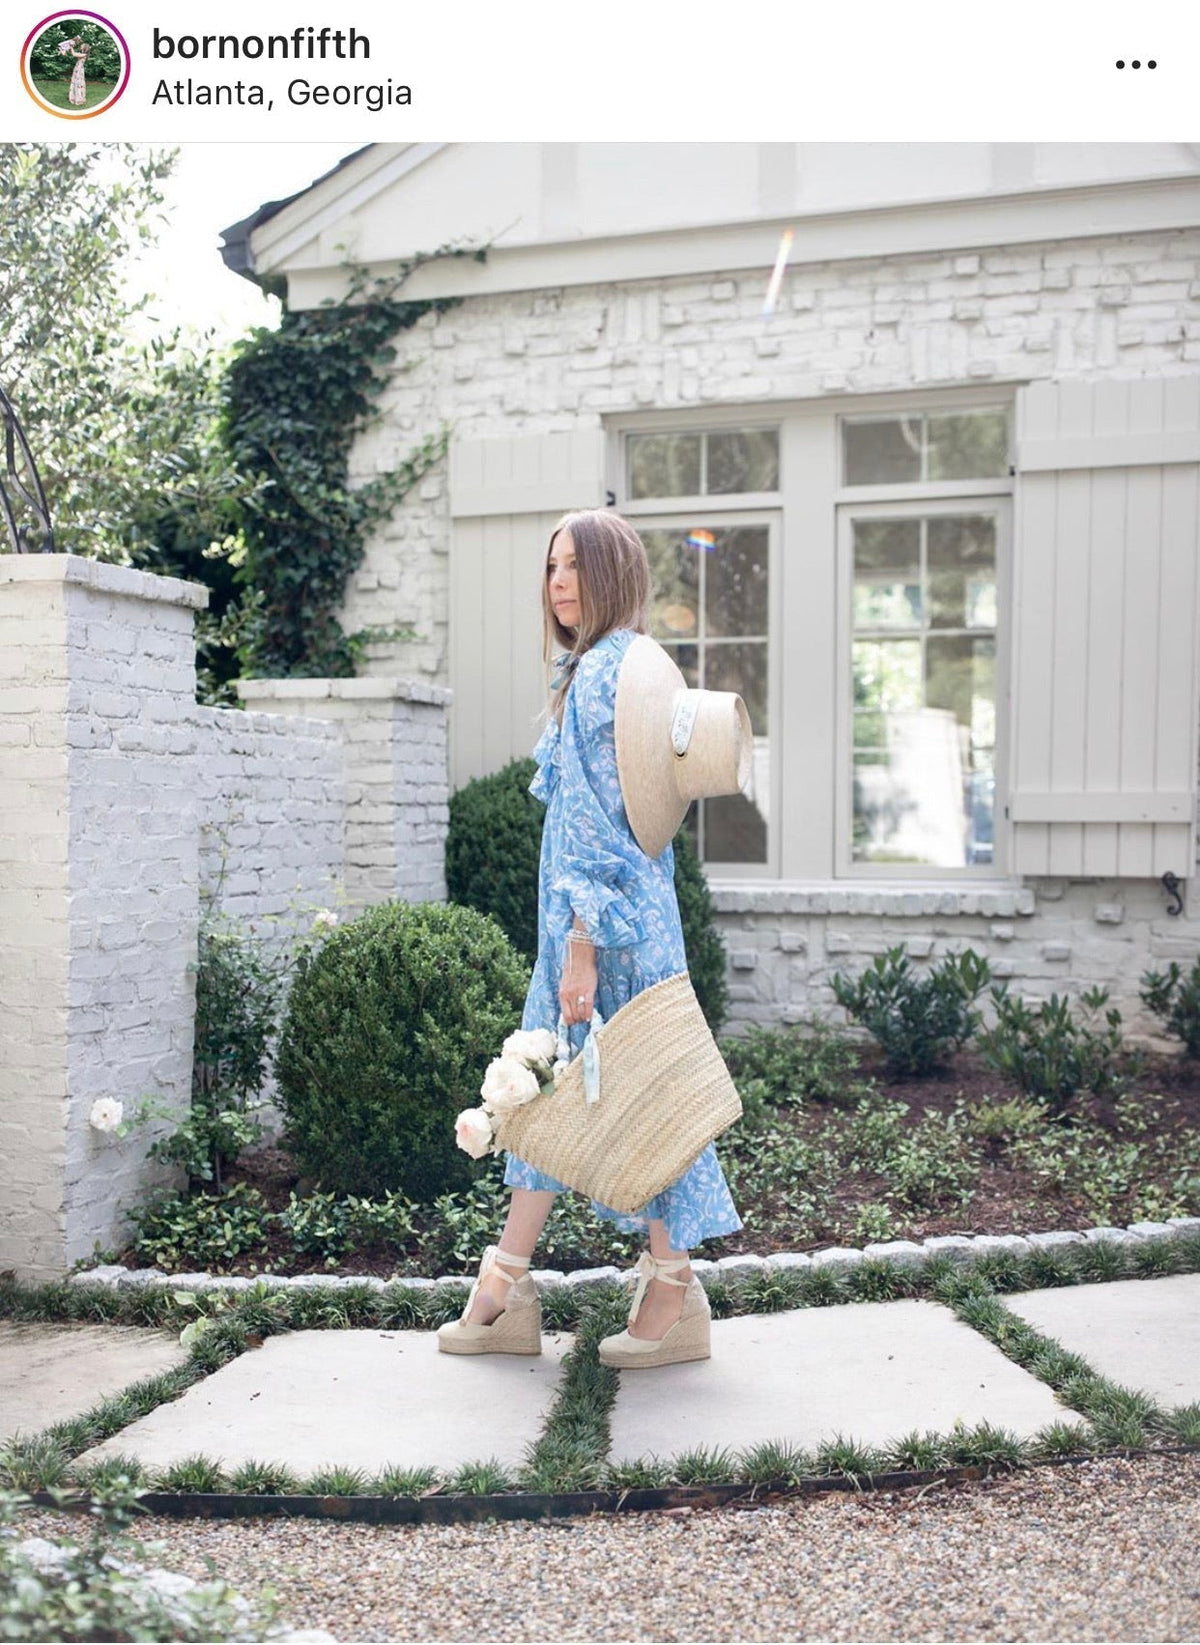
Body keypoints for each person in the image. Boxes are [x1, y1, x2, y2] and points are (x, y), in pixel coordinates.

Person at [437, 508, 743, 1369]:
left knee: (629, 1098)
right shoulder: (603, 669)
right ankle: (508, 1287)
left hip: (602, 933)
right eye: (551, 566)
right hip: (613, 921)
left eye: (576, 566)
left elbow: (595, 828)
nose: (558, 581)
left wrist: (578, 949)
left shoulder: (604, 675)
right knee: (557, 1102)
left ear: (612, 576)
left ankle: (662, 1290)